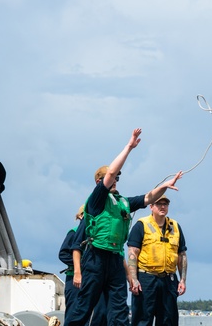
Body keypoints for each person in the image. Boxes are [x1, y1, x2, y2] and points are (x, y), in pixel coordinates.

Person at [64, 128, 183, 326]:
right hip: (95, 259)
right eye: (113, 177)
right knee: (83, 309)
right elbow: (110, 172)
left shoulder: (123, 202)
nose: (116, 179)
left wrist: (165, 186)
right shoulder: (96, 200)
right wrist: (129, 147)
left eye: (119, 178)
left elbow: (148, 198)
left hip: (115, 259)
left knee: (119, 311)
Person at [127, 194, 187, 326]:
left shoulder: (175, 227)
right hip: (146, 279)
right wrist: (134, 279)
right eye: (159, 204)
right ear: (151, 206)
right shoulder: (141, 225)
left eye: (165, 204)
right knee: (143, 319)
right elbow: (132, 253)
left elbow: (181, 254)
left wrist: (182, 280)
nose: (163, 206)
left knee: (168, 319)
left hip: (169, 280)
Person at [58, 205, 86, 317]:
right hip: (73, 279)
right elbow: (63, 254)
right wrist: (80, 264)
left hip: (89, 277)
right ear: (79, 216)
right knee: (74, 311)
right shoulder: (73, 232)